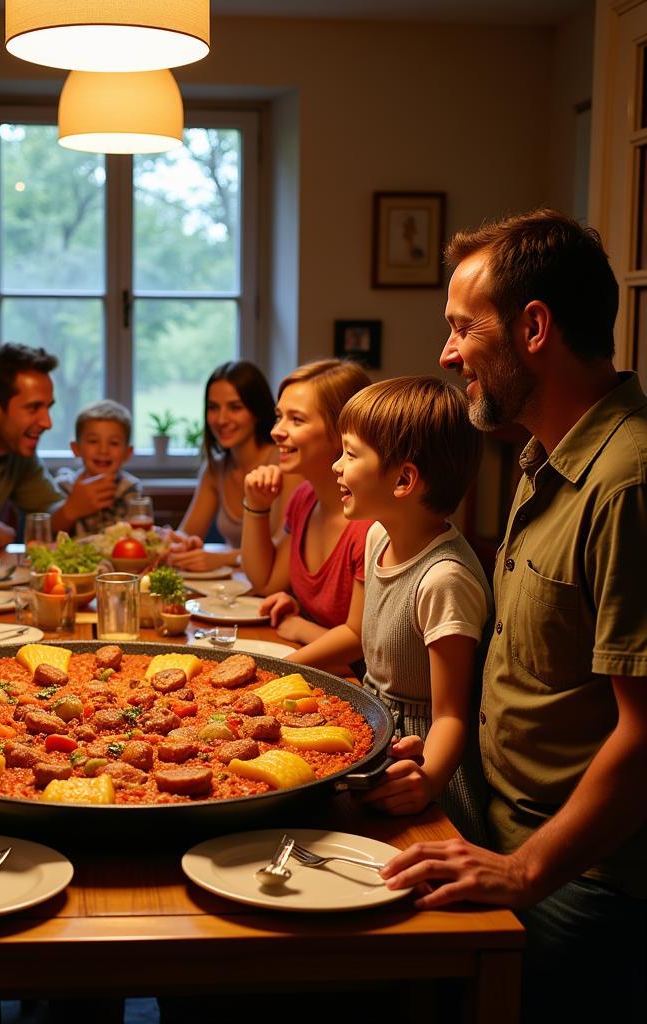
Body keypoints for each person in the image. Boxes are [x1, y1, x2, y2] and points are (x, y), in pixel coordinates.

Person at [381, 210, 647, 1016]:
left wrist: (526, 871)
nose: (447, 352)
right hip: (487, 825)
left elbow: (646, 733)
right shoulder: (545, 459)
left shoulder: (628, 483)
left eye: (463, 327)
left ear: (534, 327)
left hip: (575, 881)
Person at [333, 376, 490, 840]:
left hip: (419, 761)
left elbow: (452, 716)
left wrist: (426, 782)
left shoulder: (444, 580)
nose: (336, 466)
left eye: (350, 454)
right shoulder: (378, 535)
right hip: (370, 729)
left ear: (403, 480)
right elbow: (360, 634)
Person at [241, 360, 371, 675]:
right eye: (278, 416)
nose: (276, 431)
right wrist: (256, 505)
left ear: (342, 431)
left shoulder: (369, 523)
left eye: (296, 420)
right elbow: (266, 582)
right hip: (322, 667)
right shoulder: (304, 498)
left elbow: (361, 644)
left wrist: (301, 628)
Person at [0, 343, 112, 561]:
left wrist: (71, 509)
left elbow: (49, 517)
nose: (47, 422)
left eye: (48, 408)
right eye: (33, 408)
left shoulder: (17, 447)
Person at [169, 361, 299, 572]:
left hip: (274, 589)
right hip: (232, 588)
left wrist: (222, 558)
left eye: (235, 407)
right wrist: (182, 543)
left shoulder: (287, 463)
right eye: (213, 408)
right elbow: (188, 532)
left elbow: (284, 548)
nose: (221, 419)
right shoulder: (215, 469)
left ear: (257, 411)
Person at [54, 399, 141, 537]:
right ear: (76, 448)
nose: (103, 450)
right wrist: (72, 507)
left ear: (127, 453)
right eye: (93, 441)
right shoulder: (66, 485)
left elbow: (138, 534)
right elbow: (51, 531)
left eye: (113, 443)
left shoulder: (130, 488)